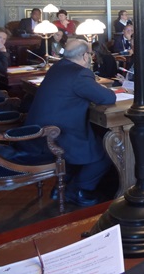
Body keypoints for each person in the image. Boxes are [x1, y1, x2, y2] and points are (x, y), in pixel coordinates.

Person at [23, 39, 116, 206]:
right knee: (107, 151)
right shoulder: (79, 73)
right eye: (90, 54)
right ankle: (77, 191)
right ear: (84, 56)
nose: (91, 57)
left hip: (40, 128)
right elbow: (108, 97)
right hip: (57, 132)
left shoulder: (58, 67)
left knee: (93, 142)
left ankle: (62, 188)